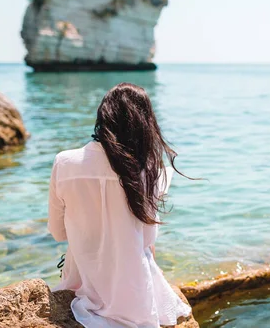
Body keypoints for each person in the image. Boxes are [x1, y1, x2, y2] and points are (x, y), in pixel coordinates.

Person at [47, 83, 192, 327]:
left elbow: (57, 232)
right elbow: (147, 240)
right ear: (145, 124)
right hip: (133, 294)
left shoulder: (64, 162)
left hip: (82, 278)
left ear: (103, 117)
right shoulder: (147, 171)